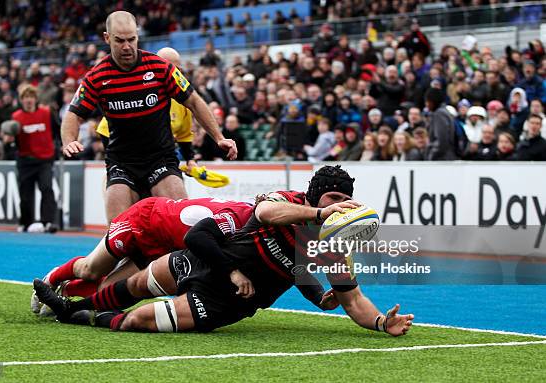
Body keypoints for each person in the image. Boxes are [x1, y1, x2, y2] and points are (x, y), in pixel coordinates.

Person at [34, 166, 414, 336]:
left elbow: (355, 302)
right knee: (135, 284)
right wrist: (318, 212)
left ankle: (76, 317)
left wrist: (382, 322)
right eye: (334, 198)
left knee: (139, 321)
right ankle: (73, 304)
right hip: (208, 262)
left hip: (226, 301)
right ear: (315, 196)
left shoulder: (331, 247)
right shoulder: (287, 201)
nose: (340, 206)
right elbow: (266, 212)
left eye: (347, 201)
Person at [61, 11, 237, 224]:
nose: (126, 46)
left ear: (137, 36)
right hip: (121, 163)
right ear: (107, 38)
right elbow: (74, 114)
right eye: (119, 40)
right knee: (120, 234)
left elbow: (194, 102)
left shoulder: (159, 67)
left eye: (131, 39)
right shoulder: (97, 76)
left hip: (160, 159)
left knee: (182, 223)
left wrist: (219, 137)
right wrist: (69, 141)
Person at [31, 197, 254, 314]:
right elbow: (199, 242)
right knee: (91, 270)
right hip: (144, 220)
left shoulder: (249, 217)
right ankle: (53, 278)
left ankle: (66, 291)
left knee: (106, 294)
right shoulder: (238, 220)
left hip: (164, 245)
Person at [95, 47, 199, 173]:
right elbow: (105, 129)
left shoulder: (183, 101)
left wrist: (190, 160)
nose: (170, 73)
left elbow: (184, 135)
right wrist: (115, 164)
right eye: (165, 67)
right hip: (128, 159)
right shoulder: (138, 90)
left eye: (176, 69)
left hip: (161, 159)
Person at [12, 85, 59, 233]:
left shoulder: (46, 113)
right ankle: (25, 223)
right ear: (21, 100)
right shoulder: (16, 117)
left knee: (47, 188)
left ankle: (48, 222)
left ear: (35, 99)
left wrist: (60, 145)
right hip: (25, 160)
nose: (28, 100)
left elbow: (57, 129)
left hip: (45, 159)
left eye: (31, 97)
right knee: (25, 194)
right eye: (25, 97)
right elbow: (14, 139)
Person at [425, 87, 459, 160]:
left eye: (427, 101)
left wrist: (431, 156)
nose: (426, 104)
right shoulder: (444, 112)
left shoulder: (439, 114)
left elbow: (441, 141)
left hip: (442, 159)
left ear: (433, 101)